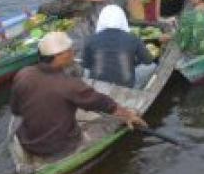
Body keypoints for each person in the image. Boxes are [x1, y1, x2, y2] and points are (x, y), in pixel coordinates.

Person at [9, 32, 145, 158]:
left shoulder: (23, 74)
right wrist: (128, 115)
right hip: (62, 147)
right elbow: (102, 102)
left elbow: (16, 110)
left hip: (28, 142)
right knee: (107, 123)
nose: (73, 52)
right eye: (69, 50)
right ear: (58, 56)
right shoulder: (70, 85)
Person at [83, 5, 157, 88]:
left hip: (97, 84)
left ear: (101, 20)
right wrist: (133, 60)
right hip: (126, 83)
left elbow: (86, 65)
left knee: (86, 71)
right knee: (153, 66)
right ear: (123, 20)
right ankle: (135, 88)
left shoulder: (91, 39)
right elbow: (148, 61)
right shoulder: (132, 38)